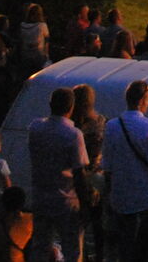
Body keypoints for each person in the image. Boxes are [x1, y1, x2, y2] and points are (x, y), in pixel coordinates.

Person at [108, 79, 148, 262]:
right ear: (142, 100)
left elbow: (108, 164)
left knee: (122, 245)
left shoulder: (112, 125)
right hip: (144, 194)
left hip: (119, 194)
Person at [27, 86, 89, 262]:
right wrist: (85, 204)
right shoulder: (73, 134)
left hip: (41, 196)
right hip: (66, 200)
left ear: (50, 104)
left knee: (40, 246)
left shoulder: (36, 127)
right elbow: (79, 172)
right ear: (71, 108)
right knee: (72, 249)